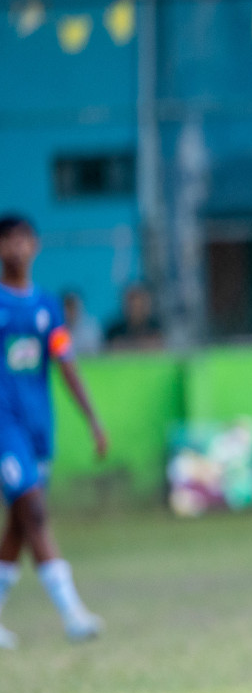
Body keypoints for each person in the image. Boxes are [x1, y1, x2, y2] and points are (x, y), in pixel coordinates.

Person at [0, 215, 110, 648]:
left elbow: (66, 366)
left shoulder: (47, 307)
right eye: (7, 240)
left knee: (19, 525)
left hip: (37, 428)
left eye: (23, 239)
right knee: (36, 513)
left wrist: (93, 419)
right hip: (4, 429)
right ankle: (72, 614)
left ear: (36, 246)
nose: (16, 248)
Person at [104, 282, 163, 350]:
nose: (136, 310)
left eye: (140, 306)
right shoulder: (114, 333)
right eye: (133, 306)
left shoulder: (156, 330)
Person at [61, 289, 104, 356]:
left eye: (73, 306)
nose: (70, 310)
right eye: (67, 306)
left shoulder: (91, 329)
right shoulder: (57, 329)